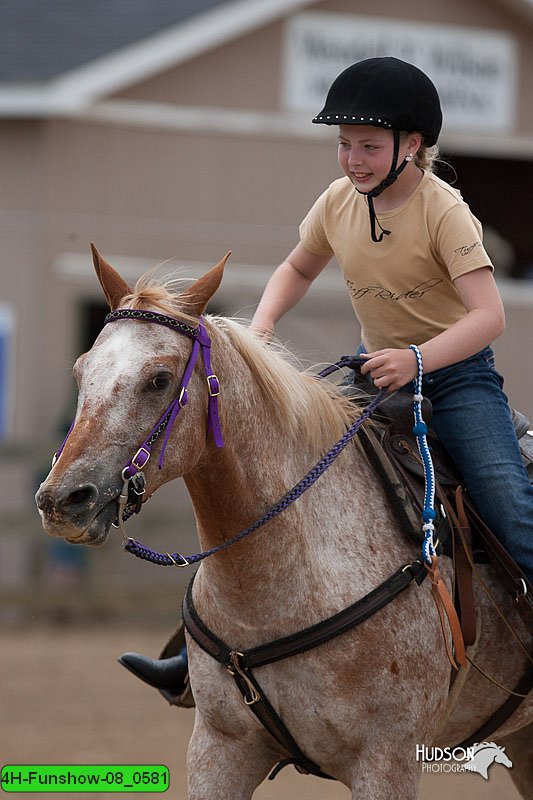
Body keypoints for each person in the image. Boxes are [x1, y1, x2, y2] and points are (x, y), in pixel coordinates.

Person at [119, 56, 533, 698]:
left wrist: (418, 360)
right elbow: (296, 267)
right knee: (265, 481)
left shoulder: (445, 211)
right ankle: (194, 654)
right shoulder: (339, 201)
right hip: (373, 373)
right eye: (344, 144)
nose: (352, 159)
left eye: (368, 145)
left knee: (507, 502)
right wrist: (261, 327)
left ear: (412, 144)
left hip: (456, 380)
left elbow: (490, 316)